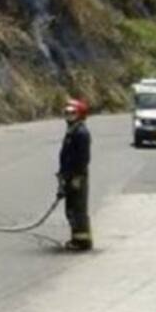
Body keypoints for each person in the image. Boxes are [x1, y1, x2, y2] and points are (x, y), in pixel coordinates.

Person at [57, 98, 92, 252]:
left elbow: (83, 158)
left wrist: (77, 177)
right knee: (71, 209)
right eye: (66, 113)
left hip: (77, 177)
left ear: (80, 114)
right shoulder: (72, 131)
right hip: (69, 175)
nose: (68, 116)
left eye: (72, 113)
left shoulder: (81, 133)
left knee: (78, 209)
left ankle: (82, 242)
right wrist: (62, 175)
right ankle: (76, 239)